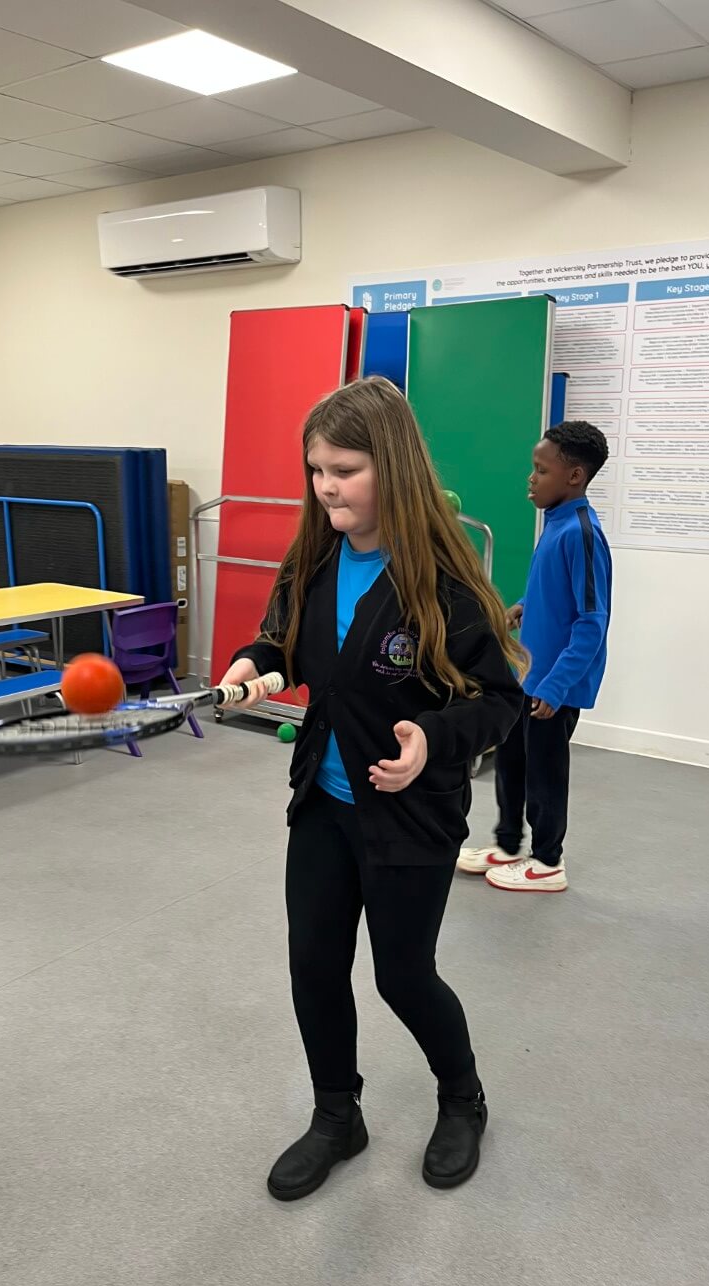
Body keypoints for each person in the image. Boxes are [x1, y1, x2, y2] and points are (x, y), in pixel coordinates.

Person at [218, 376, 525, 1202]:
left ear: (392, 467)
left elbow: (498, 701)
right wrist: (254, 666)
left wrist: (433, 739)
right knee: (314, 965)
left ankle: (462, 1098)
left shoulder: (445, 581)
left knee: (402, 975)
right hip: (324, 806)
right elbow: (283, 641)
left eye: (345, 470)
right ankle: (336, 1117)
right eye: (317, 469)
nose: (326, 486)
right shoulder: (314, 559)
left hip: (410, 818)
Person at [457, 420, 612, 894]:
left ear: (575, 476)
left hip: (554, 687)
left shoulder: (582, 533)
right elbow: (556, 589)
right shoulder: (556, 523)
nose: (531, 478)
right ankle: (507, 845)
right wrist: (525, 605)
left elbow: (591, 620)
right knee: (512, 762)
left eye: (541, 470)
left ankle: (547, 862)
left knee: (544, 777)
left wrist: (556, 686)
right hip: (529, 674)